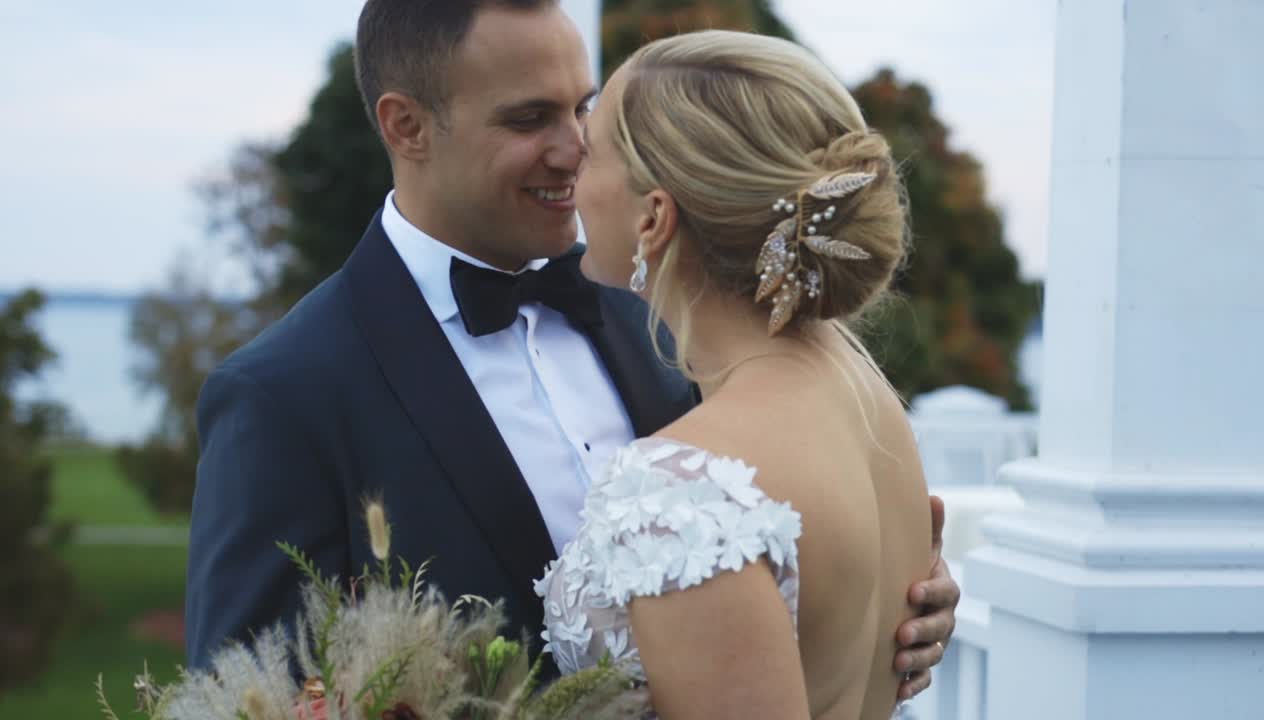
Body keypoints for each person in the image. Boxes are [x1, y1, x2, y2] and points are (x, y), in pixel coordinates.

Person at [185, 0, 958, 701]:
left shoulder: (671, 309)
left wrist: (888, 609)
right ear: (406, 126)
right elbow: (240, 694)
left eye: (583, 110)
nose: (575, 149)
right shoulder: (283, 396)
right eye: (529, 120)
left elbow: (776, 533)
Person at [536, 29, 937, 717]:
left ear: (654, 217)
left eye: (593, 147)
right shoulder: (864, 391)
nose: (570, 162)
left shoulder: (678, 492)